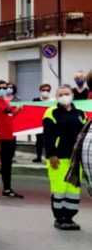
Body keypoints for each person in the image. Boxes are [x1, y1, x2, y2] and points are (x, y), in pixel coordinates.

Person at [44, 86, 86, 230]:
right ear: (56, 97)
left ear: (72, 95)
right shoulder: (51, 112)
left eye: (66, 93)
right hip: (59, 157)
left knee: (73, 189)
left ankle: (69, 217)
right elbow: (48, 136)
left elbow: (84, 135)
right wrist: (52, 155)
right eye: (60, 94)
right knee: (59, 188)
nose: (64, 96)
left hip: (75, 158)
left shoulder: (80, 113)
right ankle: (59, 218)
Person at [0, 80, 23, 198]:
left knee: (7, 165)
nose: (2, 89)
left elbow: (8, 116)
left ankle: (7, 189)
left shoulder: (6, 102)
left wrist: (17, 111)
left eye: (4, 87)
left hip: (9, 137)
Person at [33, 85, 54, 162]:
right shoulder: (35, 100)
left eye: (47, 90)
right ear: (40, 90)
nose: (45, 92)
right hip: (38, 123)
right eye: (43, 90)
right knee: (39, 140)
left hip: (49, 124)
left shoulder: (53, 101)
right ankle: (38, 156)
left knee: (48, 140)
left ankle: (48, 156)